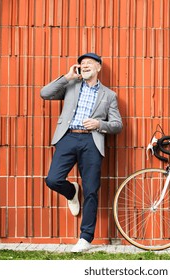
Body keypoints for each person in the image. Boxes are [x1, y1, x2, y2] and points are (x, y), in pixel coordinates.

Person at [40, 53, 123, 252]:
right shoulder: (71, 86)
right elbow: (45, 93)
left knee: (92, 189)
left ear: (98, 68)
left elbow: (117, 125)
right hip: (68, 137)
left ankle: (85, 238)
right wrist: (68, 77)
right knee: (53, 179)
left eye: (89, 63)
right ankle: (72, 192)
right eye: (82, 64)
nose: (84, 66)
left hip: (91, 140)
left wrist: (99, 124)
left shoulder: (109, 95)